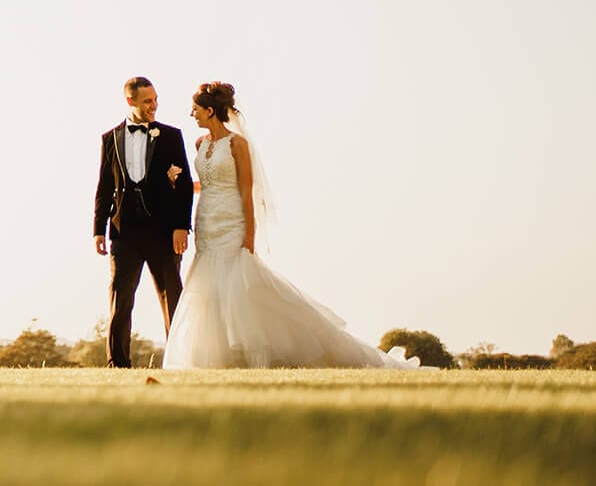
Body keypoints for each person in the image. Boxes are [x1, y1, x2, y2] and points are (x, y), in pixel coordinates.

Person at [162, 81, 419, 369]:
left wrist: (249, 234)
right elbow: (208, 183)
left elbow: (247, 190)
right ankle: (218, 356)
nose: (191, 114)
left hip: (232, 221)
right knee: (209, 289)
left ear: (210, 111)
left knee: (242, 287)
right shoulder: (200, 144)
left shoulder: (237, 144)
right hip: (206, 220)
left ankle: (279, 346)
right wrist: (180, 184)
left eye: (195, 109)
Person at [93, 76, 193, 367]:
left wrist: (180, 226)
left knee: (171, 299)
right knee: (120, 300)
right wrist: (98, 229)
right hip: (124, 233)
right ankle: (117, 363)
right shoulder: (110, 138)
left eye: (156, 100)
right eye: (148, 101)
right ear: (130, 101)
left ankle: (178, 359)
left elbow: (184, 184)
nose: (154, 106)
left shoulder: (171, 136)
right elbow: (104, 186)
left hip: (163, 232)